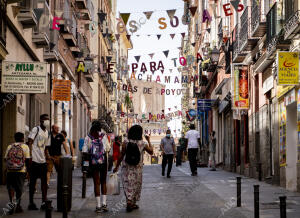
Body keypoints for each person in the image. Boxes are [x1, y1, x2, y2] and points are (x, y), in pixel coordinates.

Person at [113, 125, 153, 212]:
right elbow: (151, 152)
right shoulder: (142, 143)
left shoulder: (126, 142)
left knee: (128, 184)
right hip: (137, 168)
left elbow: (121, 154)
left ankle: (130, 201)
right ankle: (132, 202)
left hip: (126, 167)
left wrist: (116, 166)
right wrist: (149, 140)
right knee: (136, 184)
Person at [82, 121, 110, 213]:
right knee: (103, 182)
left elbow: (84, 152)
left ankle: (98, 206)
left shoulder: (88, 137)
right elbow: (108, 148)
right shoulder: (103, 136)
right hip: (103, 162)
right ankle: (104, 204)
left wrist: (85, 166)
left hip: (93, 163)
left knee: (96, 183)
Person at [27, 114, 50, 210]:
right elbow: (29, 142)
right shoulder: (35, 129)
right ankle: (31, 202)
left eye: (48, 119)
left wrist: (47, 157)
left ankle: (44, 202)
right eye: (45, 119)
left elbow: (45, 147)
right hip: (34, 160)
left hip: (42, 161)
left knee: (44, 183)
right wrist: (30, 156)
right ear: (41, 120)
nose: (47, 121)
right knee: (33, 182)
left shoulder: (47, 132)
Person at [4, 132, 30, 214]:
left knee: (11, 187)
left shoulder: (10, 146)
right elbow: (28, 159)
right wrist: (28, 171)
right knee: (19, 188)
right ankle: (18, 206)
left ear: (15, 138)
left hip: (10, 170)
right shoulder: (25, 146)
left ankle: (11, 204)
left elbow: (5, 159)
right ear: (22, 138)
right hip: (20, 170)